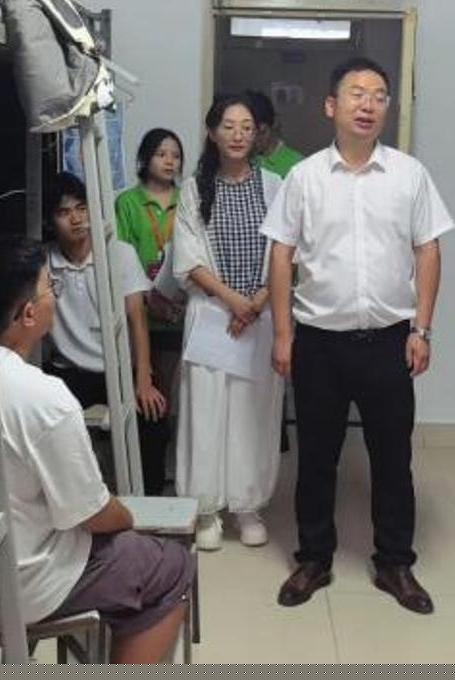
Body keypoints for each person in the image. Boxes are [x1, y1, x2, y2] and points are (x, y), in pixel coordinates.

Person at [0, 237, 193, 663]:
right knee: (171, 567)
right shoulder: (42, 397)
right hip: (20, 585)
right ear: (29, 314)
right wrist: (127, 517)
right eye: (49, 287)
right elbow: (93, 515)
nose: (55, 295)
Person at [262, 57, 455, 615]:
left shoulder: (409, 175)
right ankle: (313, 558)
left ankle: (394, 562)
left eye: (379, 95)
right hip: (319, 342)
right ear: (331, 105)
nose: (368, 104)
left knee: (392, 457)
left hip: (390, 341)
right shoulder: (304, 178)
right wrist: (282, 334)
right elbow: (281, 254)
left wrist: (422, 328)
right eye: (356, 93)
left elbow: (428, 249)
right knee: (317, 457)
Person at [173, 94, 284, 551]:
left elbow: (286, 254)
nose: (238, 135)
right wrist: (234, 301)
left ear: (257, 134)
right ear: (212, 133)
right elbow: (188, 259)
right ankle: (205, 509)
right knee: (205, 411)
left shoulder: (275, 186)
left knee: (251, 413)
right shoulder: (193, 190)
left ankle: (246, 505)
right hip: (212, 317)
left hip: (259, 318)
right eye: (228, 126)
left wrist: (255, 304)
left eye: (247, 127)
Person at [43, 173, 168, 493]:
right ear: (50, 221)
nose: (76, 219)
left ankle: (149, 502)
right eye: (64, 212)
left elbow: (137, 319)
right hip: (68, 372)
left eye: (81, 208)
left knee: (152, 416)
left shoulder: (119, 252)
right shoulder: (44, 263)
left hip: (120, 367)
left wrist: (143, 378)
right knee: (48, 429)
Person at [114, 129, 187, 492]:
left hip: (180, 310)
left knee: (170, 398)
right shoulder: (128, 202)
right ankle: (147, 478)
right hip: (141, 313)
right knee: (145, 393)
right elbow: (122, 255)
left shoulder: (187, 199)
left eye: (175, 155)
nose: (169, 161)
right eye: (161, 154)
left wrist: (178, 296)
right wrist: (149, 295)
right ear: (145, 159)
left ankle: (168, 470)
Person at [244, 89, 303, 179]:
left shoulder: (298, 165)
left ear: (274, 124)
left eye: (261, 132)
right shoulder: (241, 160)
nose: (254, 139)